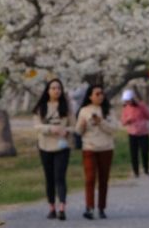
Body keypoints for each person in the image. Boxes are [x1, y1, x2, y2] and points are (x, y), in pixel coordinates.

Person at [32, 78, 72, 220]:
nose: (56, 91)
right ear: (48, 91)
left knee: (60, 177)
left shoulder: (66, 107)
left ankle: (62, 207)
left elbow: (73, 125)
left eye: (59, 88)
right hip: (45, 146)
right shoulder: (41, 107)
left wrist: (66, 130)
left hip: (62, 146)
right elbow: (37, 126)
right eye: (53, 88)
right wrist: (51, 128)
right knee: (49, 178)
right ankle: (51, 207)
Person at [76, 84, 116, 219]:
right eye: (97, 94)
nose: (100, 96)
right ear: (90, 96)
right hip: (89, 147)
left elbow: (114, 129)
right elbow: (78, 131)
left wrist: (101, 122)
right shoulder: (84, 110)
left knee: (103, 179)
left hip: (106, 147)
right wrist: (82, 125)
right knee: (90, 178)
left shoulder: (108, 110)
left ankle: (102, 207)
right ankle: (89, 207)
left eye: (101, 93)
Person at [120, 88, 149, 177]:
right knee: (134, 153)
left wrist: (143, 117)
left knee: (145, 151)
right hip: (132, 133)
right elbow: (123, 121)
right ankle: (136, 171)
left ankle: (146, 169)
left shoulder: (141, 106)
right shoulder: (125, 109)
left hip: (143, 133)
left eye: (129, 101)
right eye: (126, 101)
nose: (127, 103)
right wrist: (128, 120)